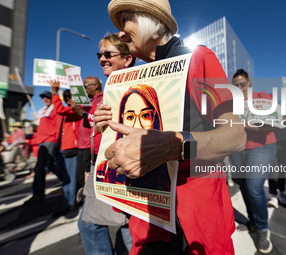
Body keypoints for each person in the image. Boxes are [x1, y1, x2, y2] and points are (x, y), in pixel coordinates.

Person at [95, 1, 246, 254]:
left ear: (150, 21)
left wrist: (175, 146)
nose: (121, 33)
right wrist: (108, 126)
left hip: (196, 219)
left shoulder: (198, 58)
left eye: (125, 22)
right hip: (147, 216)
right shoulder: (133, 80)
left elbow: (236, 136)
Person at [75, 33, 135, 255]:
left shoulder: (131, 88)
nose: (101, 58)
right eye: (100, 54)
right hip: (101, 166)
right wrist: (92, 167)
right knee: (94, 223)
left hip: (122, 168)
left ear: (127, 59)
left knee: (128, 230)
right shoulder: (109, 91)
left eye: (108, 54)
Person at [229, 69, 276, 253]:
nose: (239, 88)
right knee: (242, 184)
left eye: (242, 84)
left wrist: (253, 126)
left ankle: (263, 228)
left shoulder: (262, 96)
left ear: (249, 83)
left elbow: (274, 121)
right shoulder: (232, 104)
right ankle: (253, 222)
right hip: (239, 149)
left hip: (262, 146)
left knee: (254, 187)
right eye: (236, 85)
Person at [96, 84, 171, 191]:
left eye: (145, 115)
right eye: (130, 117)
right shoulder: (104, 170)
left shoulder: (171, 169)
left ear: (156, 119)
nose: (137, 124)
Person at [25, 91, 63, 204]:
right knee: (52, 166)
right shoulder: (44, 111)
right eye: (43, 97)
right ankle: (72, 184)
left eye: (47, 97)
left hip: (49, 141)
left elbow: (58, 127)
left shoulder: (55, 109)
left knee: (40, 168)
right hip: (43, 142)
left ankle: (38, 193)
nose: (45, 99)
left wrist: (56, 141)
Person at [51, 84, 83, 210]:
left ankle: (70, 204)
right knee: (65, 177)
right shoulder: (66, 112)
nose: (68, 99)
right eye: (65, 97)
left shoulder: (77, 109)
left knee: (71, 178)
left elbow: (59, 109)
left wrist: (55, 93)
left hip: (73, 149)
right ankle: (70, 201)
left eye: (70, 96)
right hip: (62, 148)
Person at [267, 127, 286, 208]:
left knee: (282, 171)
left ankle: (281, 193)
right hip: (269, 143)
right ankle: (273, 196)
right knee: (272, 172)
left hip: (283, 146)